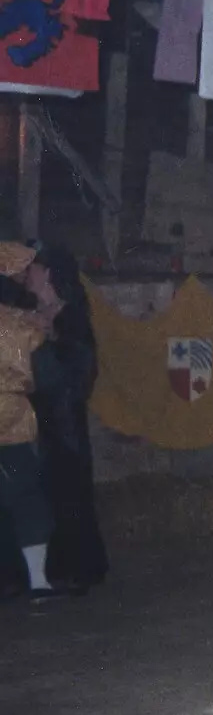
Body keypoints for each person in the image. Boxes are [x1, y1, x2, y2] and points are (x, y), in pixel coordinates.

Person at [24, 244, 108, 591]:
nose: (28, 274)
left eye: (35, 268)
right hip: (38, 420)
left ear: (49, 275)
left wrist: (46, 339)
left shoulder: (71, 318)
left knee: (70, 492)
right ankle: (53, 570)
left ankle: (83, 568)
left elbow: (79, 371)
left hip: (65, 422)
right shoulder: (29, 314)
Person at [0, 243, 67, 602]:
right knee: (25, 498)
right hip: (11, 424)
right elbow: (52, 378)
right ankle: (37, 581)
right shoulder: (22, 326)